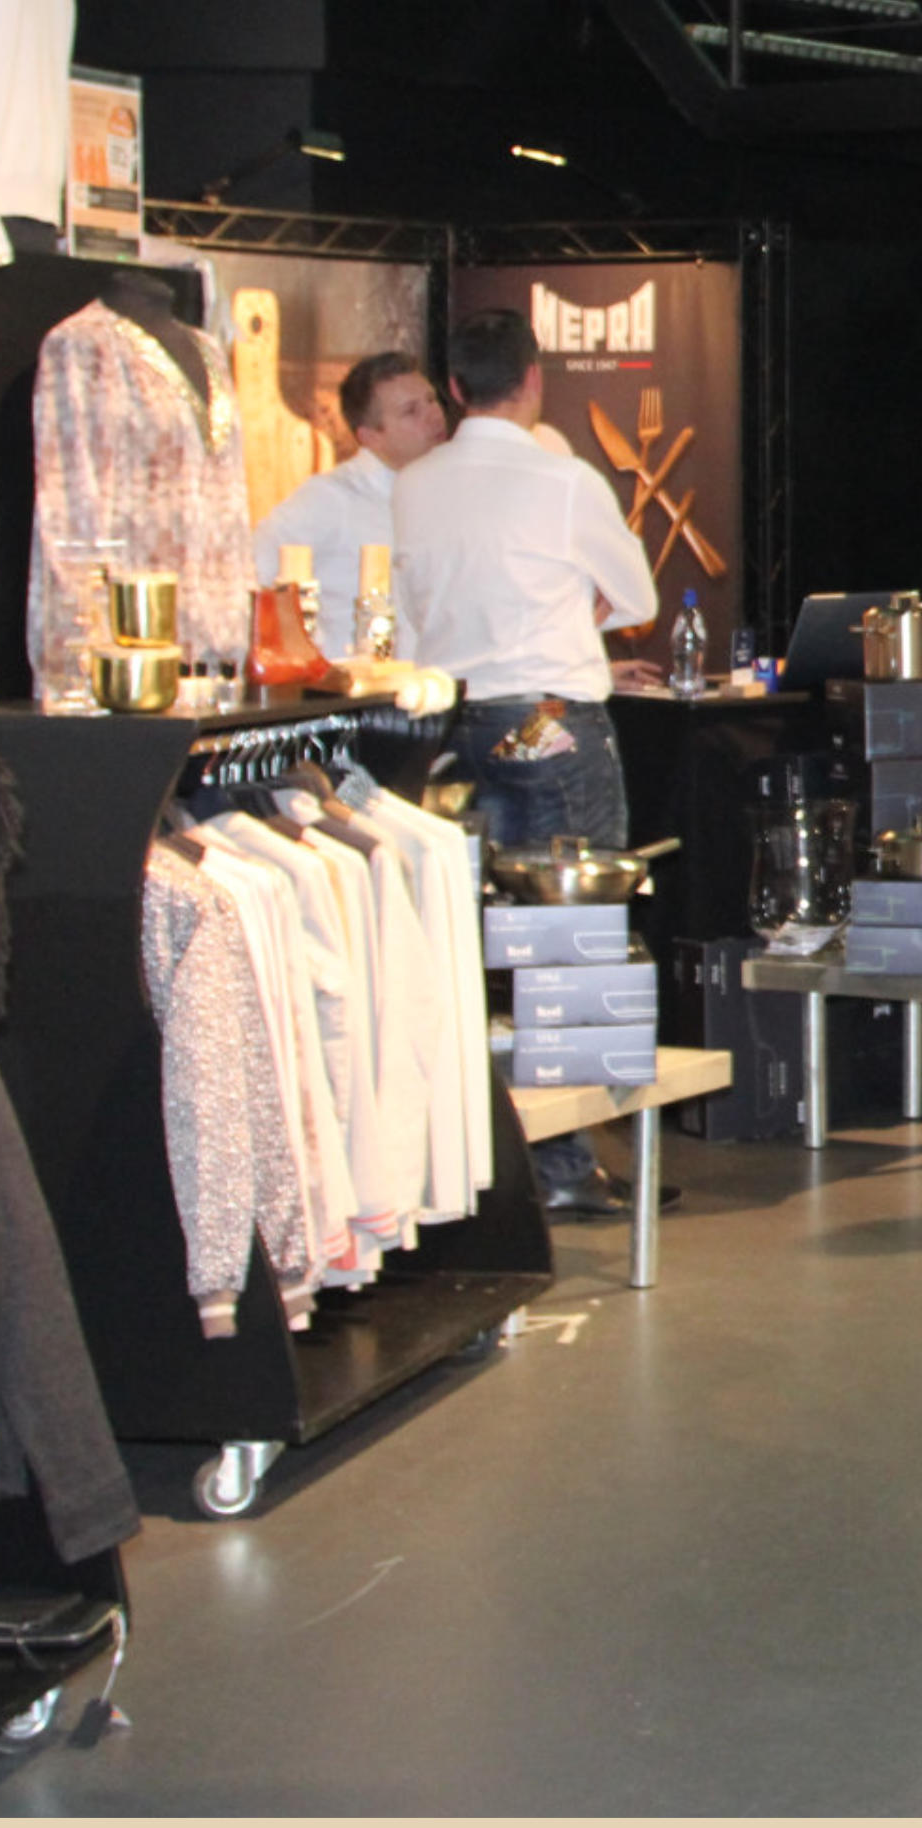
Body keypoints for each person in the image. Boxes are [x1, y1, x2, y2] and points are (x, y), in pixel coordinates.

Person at [395, 308, 658, 1218]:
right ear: (535, 378)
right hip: (545, 722)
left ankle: (487, 1159)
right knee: (571, 941)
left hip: (455, 726)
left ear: (454, 388)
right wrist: (564, 612)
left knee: (474, 940)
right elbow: (637, 597)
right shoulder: (564, 480)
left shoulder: (414, 484)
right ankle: (564, 1165)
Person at [250, 349, 451, 659]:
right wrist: (310, 655)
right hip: (353, 684)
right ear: (370, 436)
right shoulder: (331, 497)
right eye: (411, 411)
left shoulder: (443, 492)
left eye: (431, 400)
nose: (433, 415)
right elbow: (255, 567)